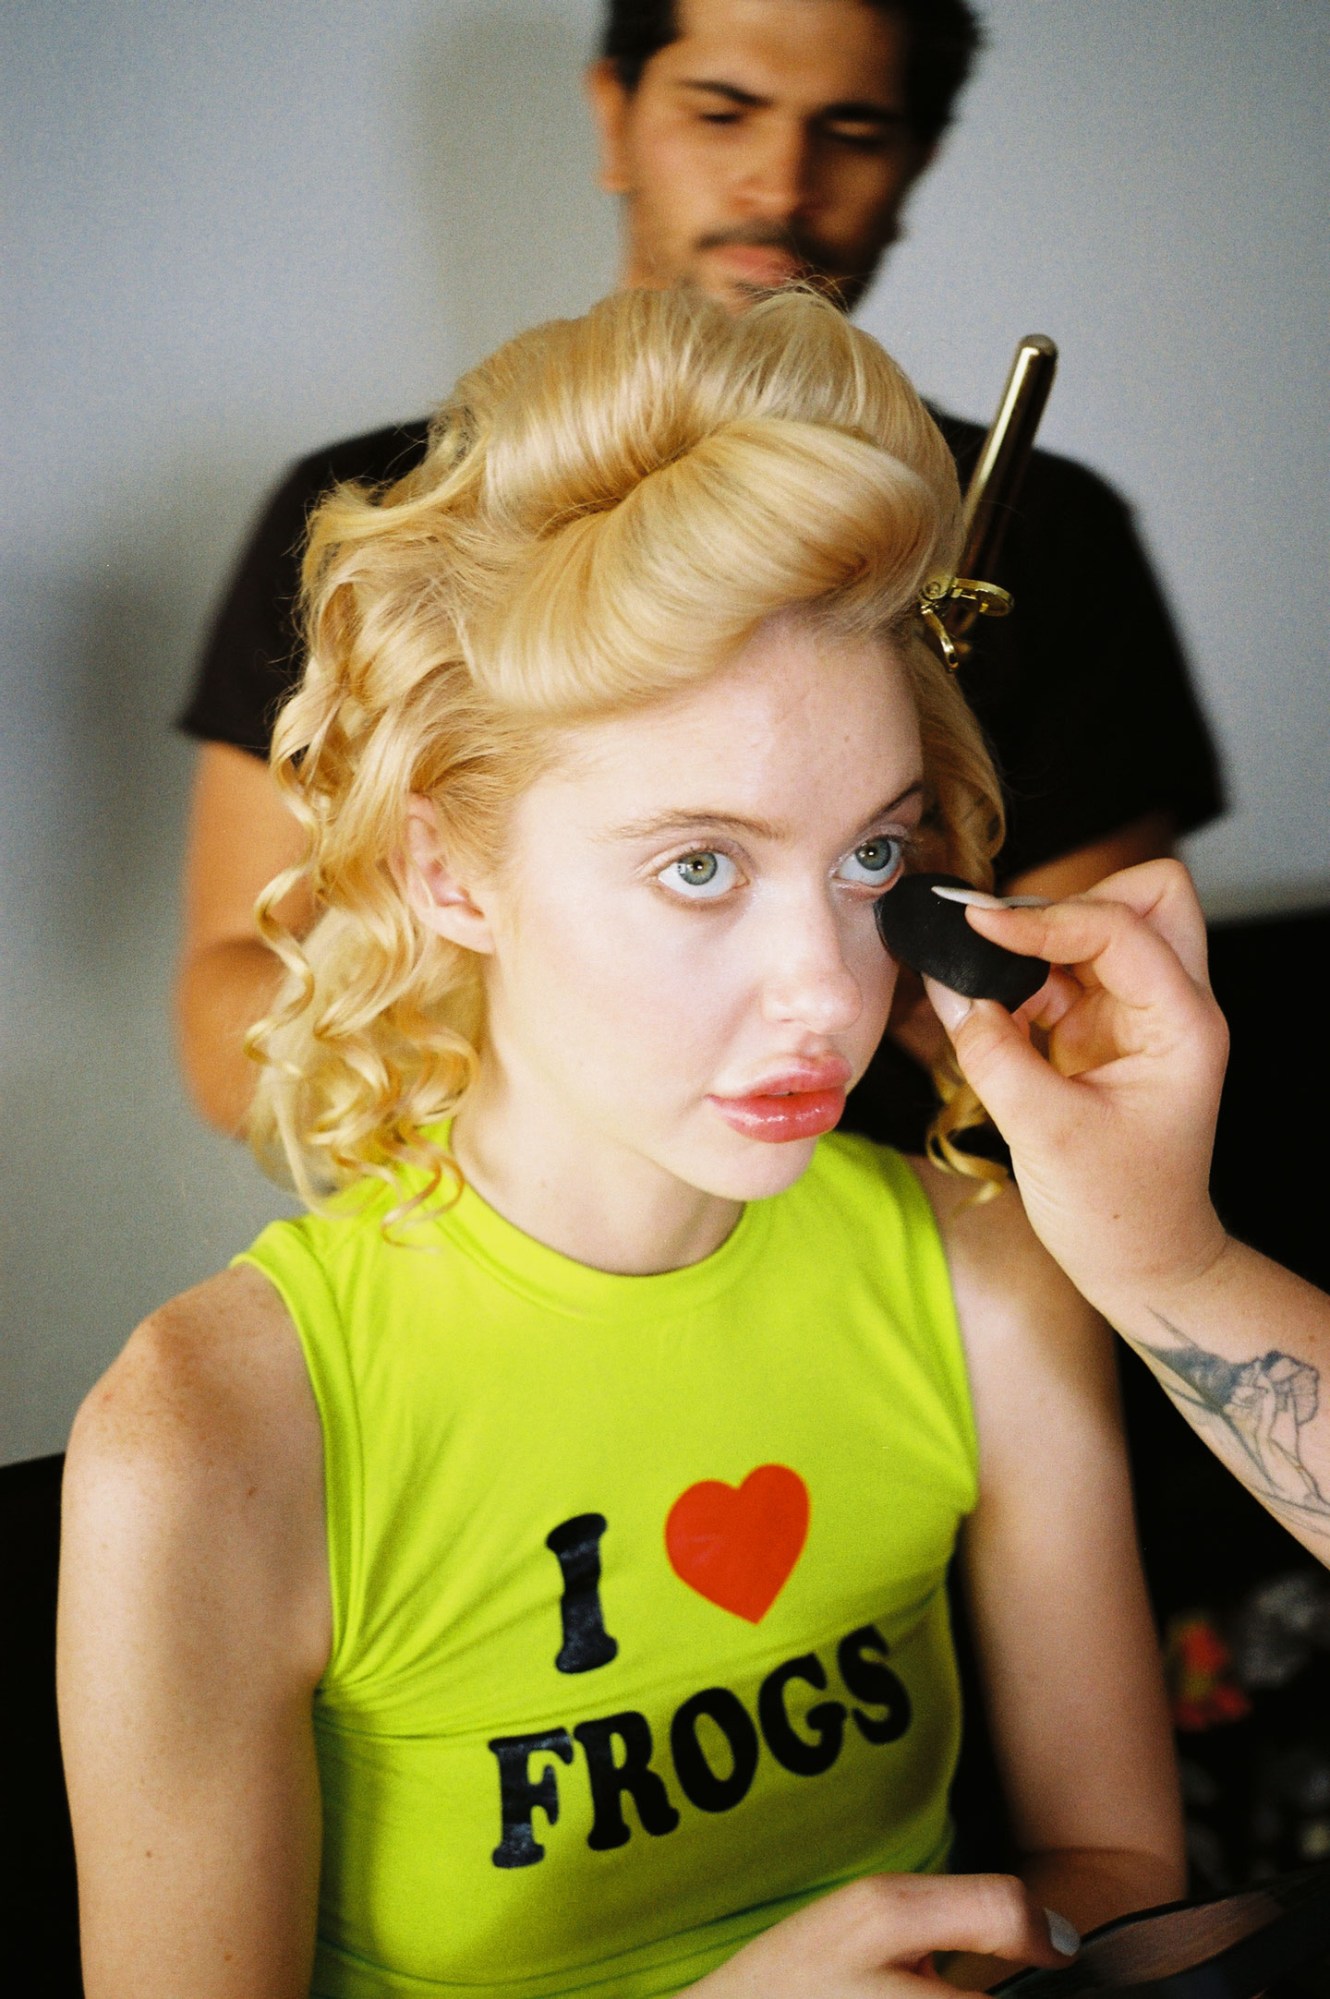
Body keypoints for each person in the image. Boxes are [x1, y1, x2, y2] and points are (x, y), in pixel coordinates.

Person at [61, 290, 1183, 1998]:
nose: (824, 986)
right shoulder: (212, 1432)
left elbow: (1117, 1870)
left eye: (872, 858)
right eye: (701, 865)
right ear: (450, 870)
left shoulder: (991, 1279)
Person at [176, 0, 1222, 1134]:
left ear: (916, 163)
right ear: (614, 117)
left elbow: (1099, 1038)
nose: (780, 184)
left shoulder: (1048, 531)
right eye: (723, 112)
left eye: (855, 131)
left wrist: (899, 923)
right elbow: (227, 1009)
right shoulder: (380, 519)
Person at [921, 860, 1330, 1570]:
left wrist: (1167, 1265)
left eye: (875, 854)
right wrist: (1170, 1268)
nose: (824, 995)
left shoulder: (984, 1265)